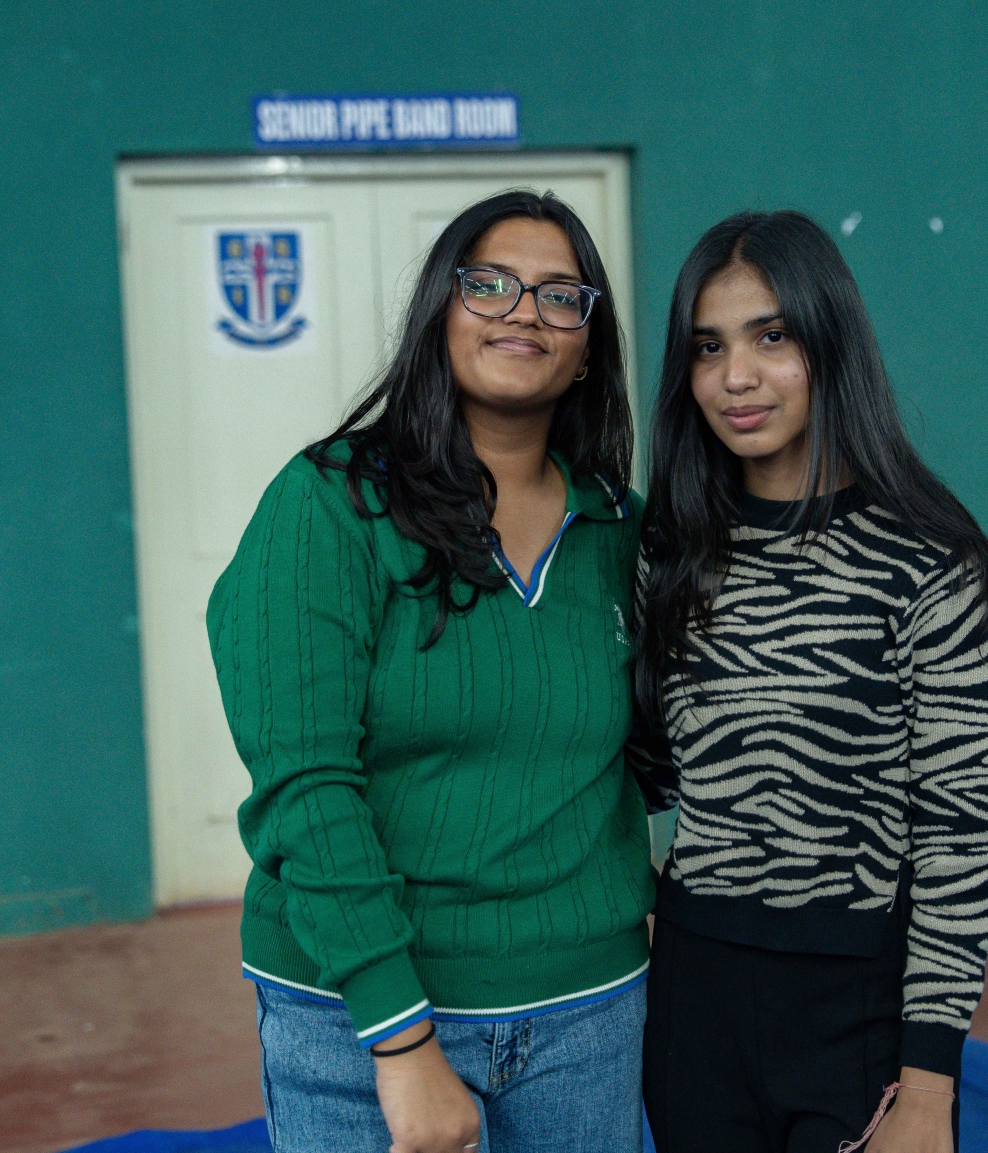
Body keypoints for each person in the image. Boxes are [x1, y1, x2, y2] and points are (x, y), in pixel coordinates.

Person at [207, 190, 654, 1153]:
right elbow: (303, 784)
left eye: (560, 295)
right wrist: (400, 1037)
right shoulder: (328, 506)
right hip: (355, 1016)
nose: (523, 312)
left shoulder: (623, 528)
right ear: (440, 313)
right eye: (488, 284)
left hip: (590, 1012)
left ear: (587, 347)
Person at [633, 211, 988, 1153]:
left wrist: (929, 1087)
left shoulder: (931, 562)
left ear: (830, 342)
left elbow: (961, 835)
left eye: (772, 337)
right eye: (709, 347)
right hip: (693, 1002)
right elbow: (634, 770)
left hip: (858, 1007)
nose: (737, 376)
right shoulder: (668, 553)